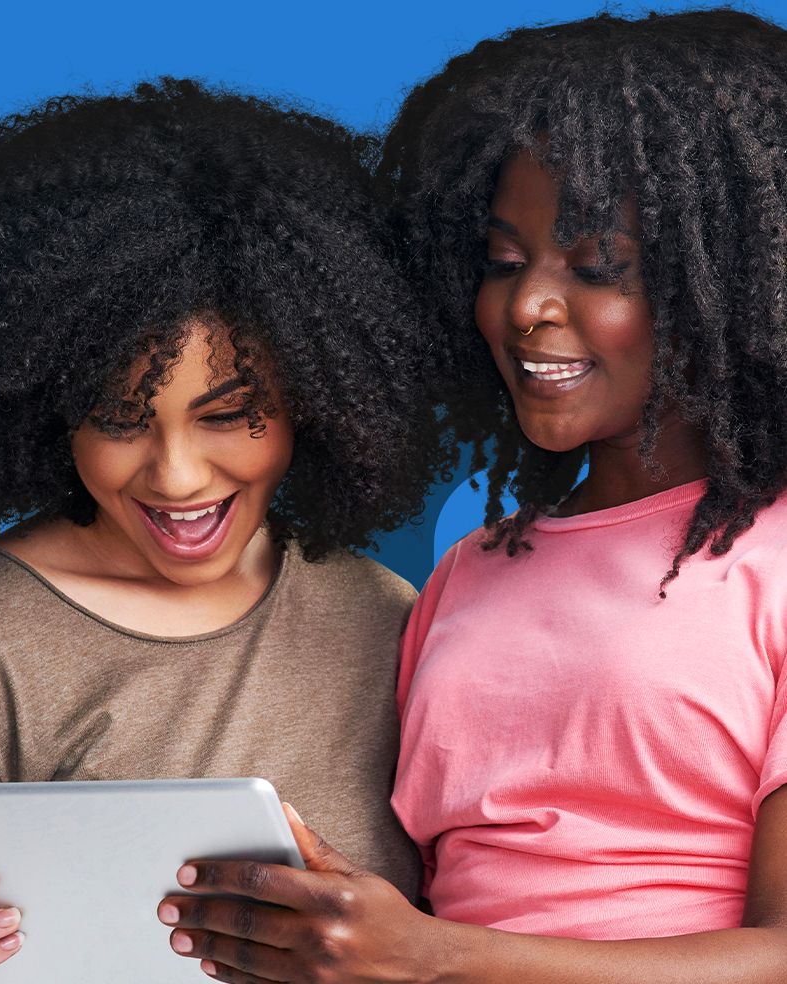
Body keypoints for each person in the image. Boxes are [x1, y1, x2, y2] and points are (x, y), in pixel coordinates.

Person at [157, 11, 787, 983]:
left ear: (733, 285)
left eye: (596, 268)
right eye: (502, 262)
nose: (527, 306)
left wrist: (430, 957)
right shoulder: (469, 574)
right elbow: (417, 913)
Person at [0, 78, 447, 984]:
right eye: (119, 420)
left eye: (229, 414)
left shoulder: (385, 617)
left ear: (318, 394)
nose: (177, 475)